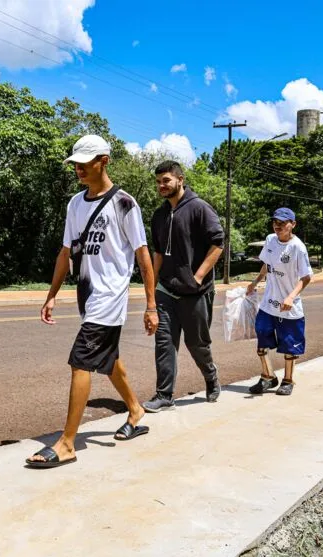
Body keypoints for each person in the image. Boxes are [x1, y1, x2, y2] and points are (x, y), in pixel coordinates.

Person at [26, 135, 158, 468]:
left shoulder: (125, 203)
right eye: (76, 164)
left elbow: (143, 257)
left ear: (104, 160)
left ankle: (68, 443)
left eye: (85, 163)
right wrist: (52, 295)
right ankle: (135, 410)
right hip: (87, 293)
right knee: (107, 359)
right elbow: (65, 252)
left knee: (81, 360)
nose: (79, 169)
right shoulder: (74, 204)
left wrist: (151, 305)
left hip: (110, 296)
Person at [142, 160, 224, 412]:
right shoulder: (159, 215)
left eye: (165, 180)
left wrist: (198, 277)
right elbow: (157, 253)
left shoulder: (200, 208)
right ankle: (164, 395)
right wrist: (153, 290)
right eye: (157, 182)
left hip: (196, 292)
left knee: (196, 344)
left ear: (180, 179)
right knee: (164, 342)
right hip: (166, 290)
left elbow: (218, 244)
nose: (161, 186)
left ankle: (211, 377)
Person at [245, 208, 313, 396]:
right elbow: (267, 264)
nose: (278, 226)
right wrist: (255, 282)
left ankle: (288, 380)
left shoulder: (297, 247)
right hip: (268, 304)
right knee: (261, 339)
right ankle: (268, 377)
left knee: (290, 345)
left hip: (288, 307)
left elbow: (306, 277)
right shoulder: (270, 240)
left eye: (283, 223)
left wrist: (291, 297)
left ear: (293, 224)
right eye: (275, 222)